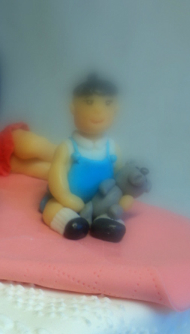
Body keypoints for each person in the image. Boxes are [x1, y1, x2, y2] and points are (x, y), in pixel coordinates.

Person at [41, 74, 133, 242]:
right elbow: (56, 173)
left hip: (102, 203)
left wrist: (125, 196)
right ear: (73, 108)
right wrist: (64, 196)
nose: (98, 110)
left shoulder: (113, 148)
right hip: (70, 201)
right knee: (52, 207)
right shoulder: (68, 147)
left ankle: (105, 224)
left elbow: (120, 176)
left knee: (112, 211)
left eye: (107, 103)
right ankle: (70, 223)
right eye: (89, 102)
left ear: (116, 109)